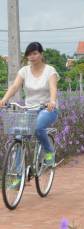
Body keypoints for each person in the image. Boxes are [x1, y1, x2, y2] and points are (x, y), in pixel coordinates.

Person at [0, 42, 59, 180]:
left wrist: (52, 101)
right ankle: (17, 175)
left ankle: (49, 153)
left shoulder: (50, 70)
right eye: (29, 54)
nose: (32, 57)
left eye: (35, 53)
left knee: (38, 128)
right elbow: (14, 86)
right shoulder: (24, 71)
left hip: (47, 109)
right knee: (19, 137)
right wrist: (4, 100)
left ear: (41, 54)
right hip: (30, 109)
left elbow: (53, 88)